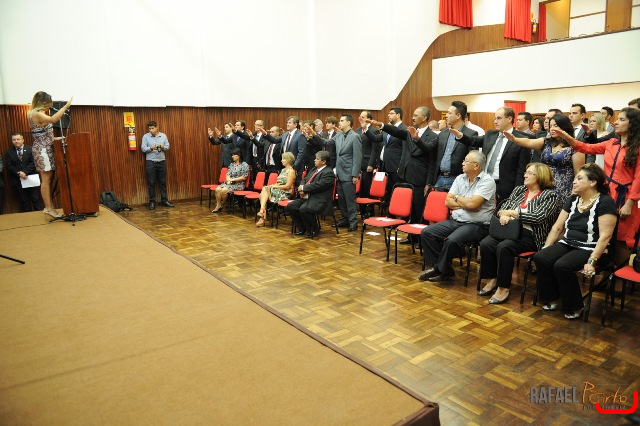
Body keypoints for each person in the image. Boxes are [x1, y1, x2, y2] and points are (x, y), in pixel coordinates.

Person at [533, 164, 617, 320]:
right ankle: (552, 297)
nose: (574, 181)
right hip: (568, 243)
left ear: (593, 182)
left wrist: (592, 261)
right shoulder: (573, 199)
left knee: (562, 265)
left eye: (579, 178)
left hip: (592, 248)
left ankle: (575, 306)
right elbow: (557, 227)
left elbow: (605, 236)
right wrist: (546, 248)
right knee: (541, 257)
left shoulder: (605, 202)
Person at [555, 107, 640, 249]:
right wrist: (566, 137)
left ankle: (617, 263)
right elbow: (585, 147)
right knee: (599, 229)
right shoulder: (611, 143)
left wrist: (630, 203)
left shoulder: (637, 148)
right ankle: (599, 260)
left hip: (625, 196)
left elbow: (638, 178)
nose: (616, 122)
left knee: (621, 235)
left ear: (632, 124)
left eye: (621, 119)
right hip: (605, 192)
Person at [477, 163, 558, 304]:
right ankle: (492, 279)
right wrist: (504, 214)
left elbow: (538, 217)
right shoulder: (519, 190)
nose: (525, 175)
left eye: (530, 173)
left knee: (504, 247)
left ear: (541, 176)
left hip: (531, 236)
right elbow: (503, 207)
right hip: (509, 230)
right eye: (526, 172)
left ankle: (503, 288)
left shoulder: (550, 196)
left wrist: (513, 213)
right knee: (486, 243)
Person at [419, 151, 496, 283]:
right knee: (427, 232)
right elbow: (447, 202)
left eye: (466, 161)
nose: (462, 163)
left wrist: (459, 199)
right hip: (456, 220)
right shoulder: (460, 178)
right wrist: (465, 202)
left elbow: (472, 204)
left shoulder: (487, 181)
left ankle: (438, 269)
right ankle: (445, 269)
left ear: (476, 165)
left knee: (452, 241)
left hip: (477, 225)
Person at [504, 113, 585, 211]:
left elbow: (578, 174)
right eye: (551, 126)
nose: (552, 129)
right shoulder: (546, 142)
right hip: (544, 187)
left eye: (556, 126)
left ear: (565, 127)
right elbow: (529, 142)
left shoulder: (575, 147)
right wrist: (514, 139)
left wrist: (573, 196)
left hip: (564, 190)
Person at [451, 107, 531, 205]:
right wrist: (461, 136)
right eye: (494, 119)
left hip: (504, 186)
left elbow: (521, 169)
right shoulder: (491, 134)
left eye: (499, 118)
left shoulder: (520, 139)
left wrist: (517, 192)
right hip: (483, 182)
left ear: (509, 119)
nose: (495, 121)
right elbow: (474, 140)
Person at [306, 115, 362, 231]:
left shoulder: (355, 136)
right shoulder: (339, 135)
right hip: (339, 172)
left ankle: (353, 222)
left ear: (349, 122)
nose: (339, 122)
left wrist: (355, 174)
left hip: (349, 173)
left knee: (349, 199)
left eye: (342, 121)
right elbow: (326, 142)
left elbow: (357, 157)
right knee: (341, 199)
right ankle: (345, 219)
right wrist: (314, 134)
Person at [26, 91, 72, 218]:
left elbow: (43, 136)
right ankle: (48, 208)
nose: (49, 106)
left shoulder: (39, 114)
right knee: (46, 180)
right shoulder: (36, 114)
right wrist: (65, 107)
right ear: (42, 102)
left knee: (49, 179)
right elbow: (53, 119)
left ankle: (49, 207)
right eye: (47, 103)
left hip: (46, 148)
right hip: (42, 151)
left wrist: (57, 139)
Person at [426, 100, 478, 191]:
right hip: (440, 178)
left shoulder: (471, 134)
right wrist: (416, 139)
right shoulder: (443, 132)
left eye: (449, 113)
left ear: (458, 116)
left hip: (458, 180)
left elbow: (472, 161)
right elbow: (429, 149)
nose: (446, 115)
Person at [286, 151, 335, 238]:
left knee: (304, 209)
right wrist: (301, 187)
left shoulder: (329, 173)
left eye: (317, 159)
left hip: (319, 199)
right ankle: (302, 228)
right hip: (308, 197)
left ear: (323, 161)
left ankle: (313, 229)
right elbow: (304, 179)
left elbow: (319, 186)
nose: (314, 160)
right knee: (291, 206)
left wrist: (304, 188)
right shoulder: (313, 170)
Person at [365, 107, 405, 202]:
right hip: (386, 166)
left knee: (398, 192)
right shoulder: (387, 129)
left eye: (391, 113)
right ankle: (389, 210)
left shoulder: (404, 129)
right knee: (389, 193)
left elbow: (405, 150)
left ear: (398, 115)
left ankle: (397, 210)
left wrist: (401, 167)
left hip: (397, 167)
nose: (388, 115)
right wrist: (365, 129)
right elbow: (376, 139)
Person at [5, 132, 44, 212]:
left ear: (23, 140)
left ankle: (40, 215)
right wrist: (19, 173)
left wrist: (24, 172)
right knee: (24, 201)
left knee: (36, 198)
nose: (16, 141)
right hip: (18, 179)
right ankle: (28, 218)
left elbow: (34, 162)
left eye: (18, 139)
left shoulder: (30, 149)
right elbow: (9, 165)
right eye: (14, 140)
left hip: (31, 177)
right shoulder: (9, 152)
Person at [255, 152, 296, 226]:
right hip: (278, 190)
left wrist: (276, 187)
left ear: (288, 160)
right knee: (265, 190)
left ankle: (262, 215)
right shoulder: (283, 170)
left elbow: (287, 186)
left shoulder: (291, 171)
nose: (281, 160)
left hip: (284, 193)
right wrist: (273, 185)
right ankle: (262, 213)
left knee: (263, 194)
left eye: (283, 159)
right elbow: (278, 183)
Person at [141, 120, 174, 210]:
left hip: (161, 162)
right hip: (150, 162)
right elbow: (143, 148)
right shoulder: (145, 136)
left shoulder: (163, 136)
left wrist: (163, 147)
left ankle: (164, 201)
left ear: (157, 127)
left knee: (163, 182)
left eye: (152, 128)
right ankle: (152, 202)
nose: (151, 130)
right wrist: (151, 148)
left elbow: (168, 147)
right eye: (149, 128)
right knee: (151, 183)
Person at [355, 111, 381, 217]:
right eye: (360, 116)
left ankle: (369, 210)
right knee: (360, 188)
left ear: (369, 119)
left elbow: (375, 149)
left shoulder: (374, 131)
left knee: (367, 187)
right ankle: (361, 210)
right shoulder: (357, 130)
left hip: (367, 163)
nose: (360, 118)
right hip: (358, 163)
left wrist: (371, 164)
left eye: (363, 117)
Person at [211, 148, 249, 213]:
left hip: (239, 184)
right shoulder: (231, 165)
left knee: (224, 190)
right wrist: (228, 180)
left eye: (234, 155)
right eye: (232, 155)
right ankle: (218, 205)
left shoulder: (244, 165)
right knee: (217, 189)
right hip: (229, 182)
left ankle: (222, 204)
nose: (232, 156)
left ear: (239, 155)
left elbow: (244, 177)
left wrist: (233, 179)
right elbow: (228, 174)